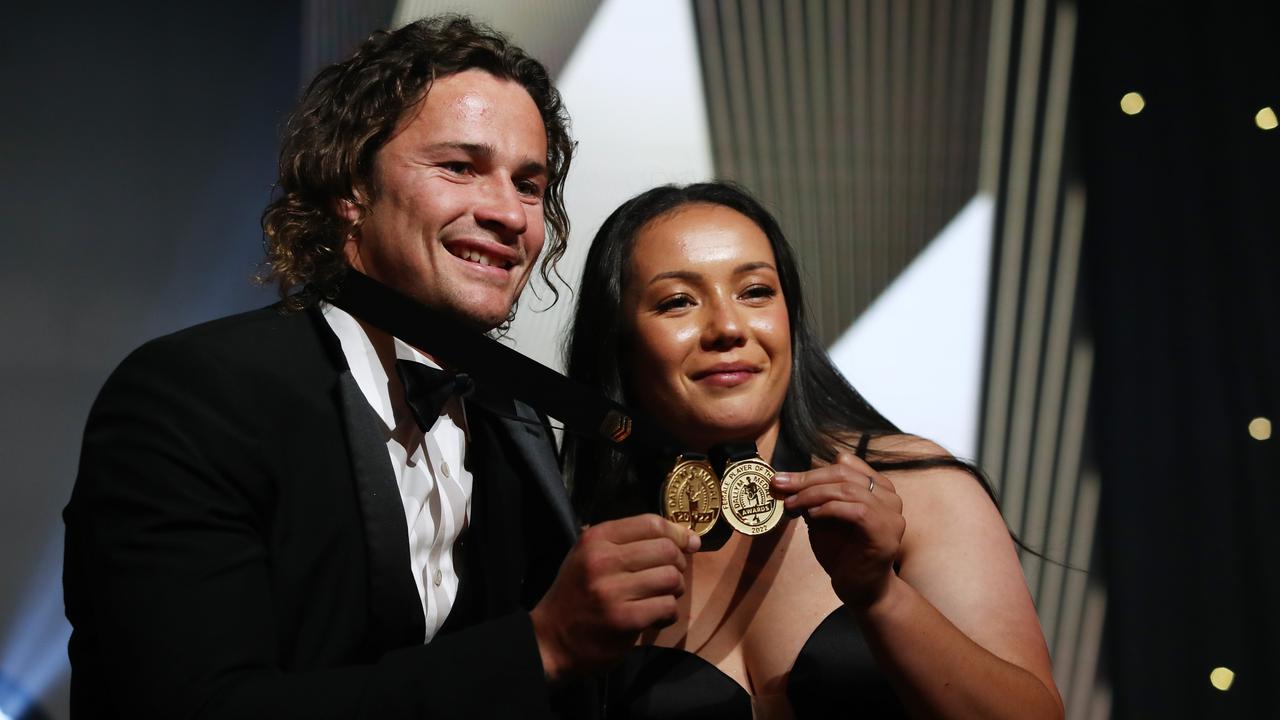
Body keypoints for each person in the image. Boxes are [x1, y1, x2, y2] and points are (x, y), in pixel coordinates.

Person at [64, 16, 697, 719]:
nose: (508, 214)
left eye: (528, 184)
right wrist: (540, 647)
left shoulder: (514, 420)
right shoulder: (194, 396)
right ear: (349, 187)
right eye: (460, 167)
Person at [564, 182, 1065, 719]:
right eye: (677, 302)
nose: (728, 328)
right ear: (618, 338)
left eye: (755, 292)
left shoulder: (919, 489)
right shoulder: (581, 542)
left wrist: (879, 595)